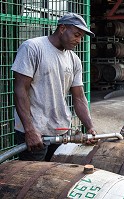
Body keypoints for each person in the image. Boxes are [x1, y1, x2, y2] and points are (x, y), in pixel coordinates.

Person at [12, 13, 97, 161]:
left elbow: (79, 97)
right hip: (36, 131)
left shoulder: (74, 60)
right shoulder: (33, 47)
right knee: (33, 178)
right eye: (76, 35)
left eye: (81, 37)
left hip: (61, 131)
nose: (79, 40)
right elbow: (20, 89)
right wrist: (29, 129)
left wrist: (90, 127)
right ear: (62, 28)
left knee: (55, 179)